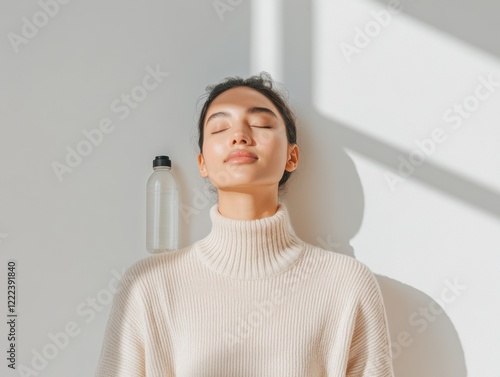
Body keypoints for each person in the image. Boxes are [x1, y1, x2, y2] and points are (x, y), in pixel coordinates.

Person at [95, 72, 394, 376]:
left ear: (292, 156)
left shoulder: (346, 285)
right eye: (220, 128)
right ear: (202, 164)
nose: (239, 136)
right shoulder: (149, 286)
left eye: (261, 124)